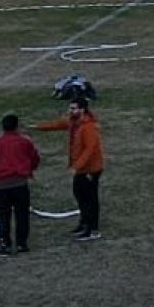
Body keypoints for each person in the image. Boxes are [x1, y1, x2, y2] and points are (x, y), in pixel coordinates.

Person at [32, 97, 104, 241]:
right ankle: (84, 223)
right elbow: (58, 124)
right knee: (80, 195)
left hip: (90, 169)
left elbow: (90, 149)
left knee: (89, 199)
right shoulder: (74, 122)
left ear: (82, 110)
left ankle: (92, 229)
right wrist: (38, 127)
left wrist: (76, 166)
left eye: (73, 108)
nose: (70, 111)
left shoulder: (88, 127)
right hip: (82, 169)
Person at [0, 114, 41, 255]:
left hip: (1, 185)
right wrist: (29, 169)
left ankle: (5, 244)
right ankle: (21, 243)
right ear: (17, 126)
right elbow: (34, 158)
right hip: (20, 183)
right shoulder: (25, 141)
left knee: (3, 216)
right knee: (22, 215)